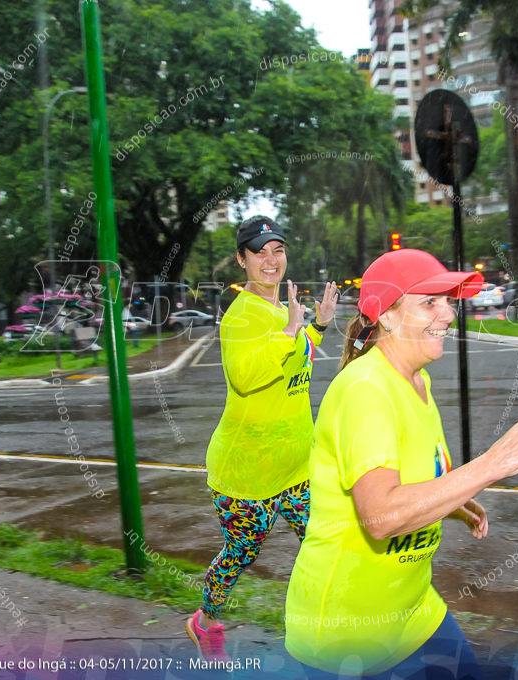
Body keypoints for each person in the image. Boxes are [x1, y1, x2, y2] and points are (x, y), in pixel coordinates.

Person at [284, 249, 518, 678]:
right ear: (385, 316)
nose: (448, 314)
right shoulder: (367, 390)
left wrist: (452, 501)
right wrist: (491, 464)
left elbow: (408, 478)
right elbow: (381, 517)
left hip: (413, 610)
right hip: (347, 632)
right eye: (429, 302)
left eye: (448, 301)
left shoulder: (417, 379)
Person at [186, 216, 338, 662]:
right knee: (241, 554)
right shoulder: (241, 315)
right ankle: (205, 621)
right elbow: (247, 376)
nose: (270, 260)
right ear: (242, 259)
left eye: (277, 250)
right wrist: (292, 330)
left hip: (294, 465)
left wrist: (318, 327)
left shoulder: (280, 308)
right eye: (259, 252)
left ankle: (327, 634)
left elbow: (293, 364)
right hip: (247, 470)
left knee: (323, 544)